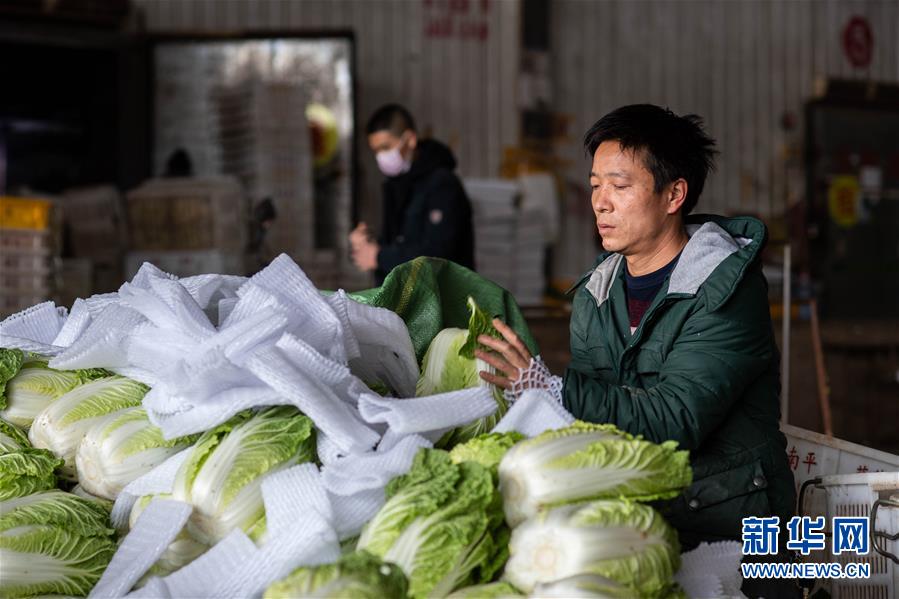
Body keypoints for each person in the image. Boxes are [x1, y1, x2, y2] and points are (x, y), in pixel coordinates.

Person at [476, 105, 797, 573]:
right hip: (645, 525)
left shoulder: (725, 289)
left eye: (620, 186)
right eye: (594, 186)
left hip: (735, 532)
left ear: (674, 195)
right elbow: (592, 428)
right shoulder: (595, 295)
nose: (601, 203)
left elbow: (676, 417)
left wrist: (552, 389)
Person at [350, 104, 475, 284]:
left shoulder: (442, 184)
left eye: (386, 148)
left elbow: (438, 254)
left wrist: (379, 256)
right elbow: (399, 243)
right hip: (409, 302)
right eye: (375, 151)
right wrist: (367, 243)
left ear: (410, 139)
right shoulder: (394, 186)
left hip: (445, 302)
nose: (381, 157)